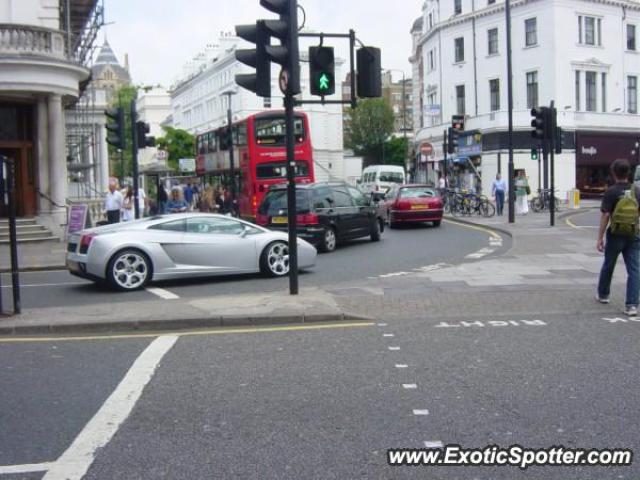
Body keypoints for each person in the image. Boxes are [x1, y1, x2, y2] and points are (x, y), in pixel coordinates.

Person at [596, 159, 640, 316]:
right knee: (634, 269)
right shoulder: (636, 191)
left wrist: (600, 238)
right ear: (628, 173)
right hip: (633, 234)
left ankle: (603, 295)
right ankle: (632, 305)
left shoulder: (611, 191)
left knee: (609, 264)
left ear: (614, 173)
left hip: (615, 234)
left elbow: (605, 215)